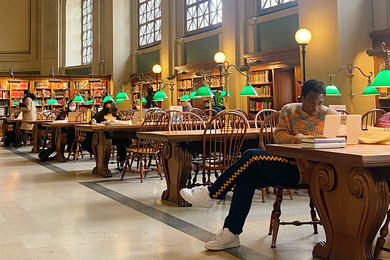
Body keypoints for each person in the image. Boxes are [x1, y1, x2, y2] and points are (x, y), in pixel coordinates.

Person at [179, 79, 339, 251]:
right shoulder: (289, 110)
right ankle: (231, 233)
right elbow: (280, 136)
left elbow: (344, 140)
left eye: (320, 103)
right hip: (290, 163)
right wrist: (298, 139)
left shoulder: (331, 115)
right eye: (311, 102)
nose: (316, 107)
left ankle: (213, 194)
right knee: (247, 177)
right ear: (301, 97)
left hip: (313, 170)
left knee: (251, 156)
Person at [84, 100, 131, 172]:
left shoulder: (117, 117)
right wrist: (92, 122)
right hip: (103, 137)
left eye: (111, 107)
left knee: (123, 140)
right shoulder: (99, 115)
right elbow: (91, 122)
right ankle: (103, 166)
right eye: (107, 107)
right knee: (107, 142)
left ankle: (122, 164)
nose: (109, 108)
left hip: (115, 137)